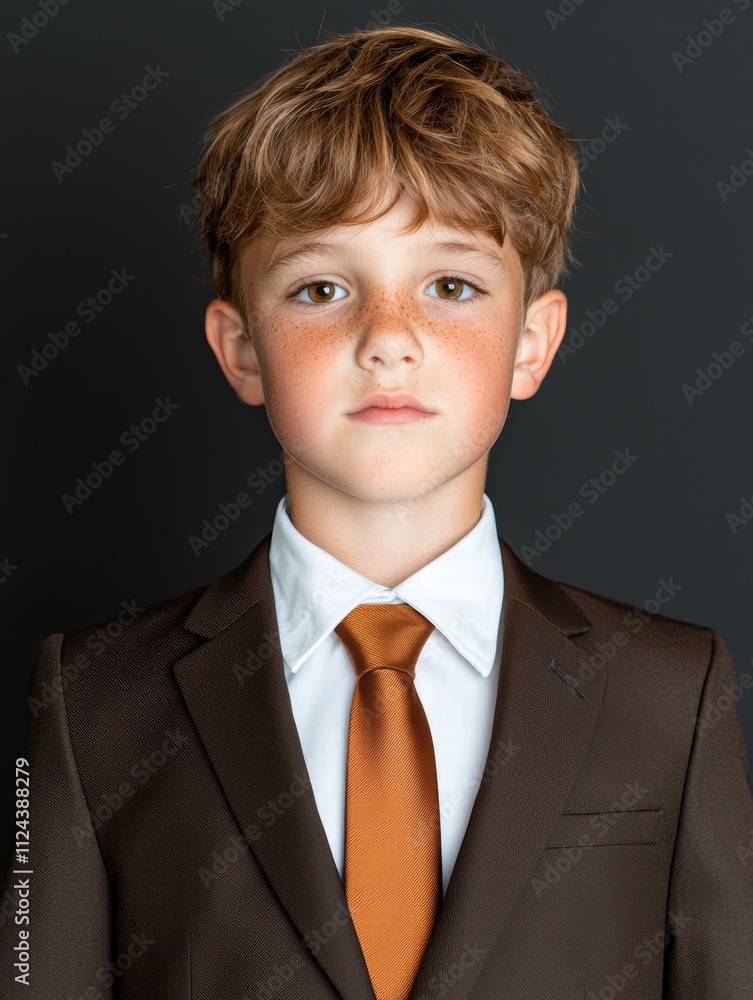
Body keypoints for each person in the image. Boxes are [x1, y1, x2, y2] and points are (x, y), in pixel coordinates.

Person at [2, 23, 752, 1000]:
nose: (387, 338)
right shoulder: (93, 700)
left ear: (532, 342)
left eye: (450, 285)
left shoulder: (669, 690)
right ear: (241, 349)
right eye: (321, 287)